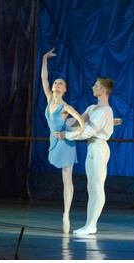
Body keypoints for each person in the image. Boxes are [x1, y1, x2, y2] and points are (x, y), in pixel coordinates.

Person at [55, 77, 114, 235]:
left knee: (97, 186)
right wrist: (65, 114)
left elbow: (86, 132)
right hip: (92, 148)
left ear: (103, 90)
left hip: (100, 148)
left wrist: (66, 135)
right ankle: (89, 224)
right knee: (90, 187)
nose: (93, 87)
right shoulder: (92, 108)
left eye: (96, 86)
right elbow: (78, 123)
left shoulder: (105, 110)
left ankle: (92, 225)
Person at [41, 48, 85, 234]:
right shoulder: (49, 98)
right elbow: (44, 78)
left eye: (61, 83)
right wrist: (44, 59)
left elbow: (81, 122)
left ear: (64, 89)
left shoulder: (66, 107)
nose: (56, 84)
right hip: (54, 140)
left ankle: (66, 214)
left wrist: (71, 135)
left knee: (67, 179)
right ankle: (66, 213)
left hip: (66, 143)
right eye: (56, 82)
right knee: (63, 177)